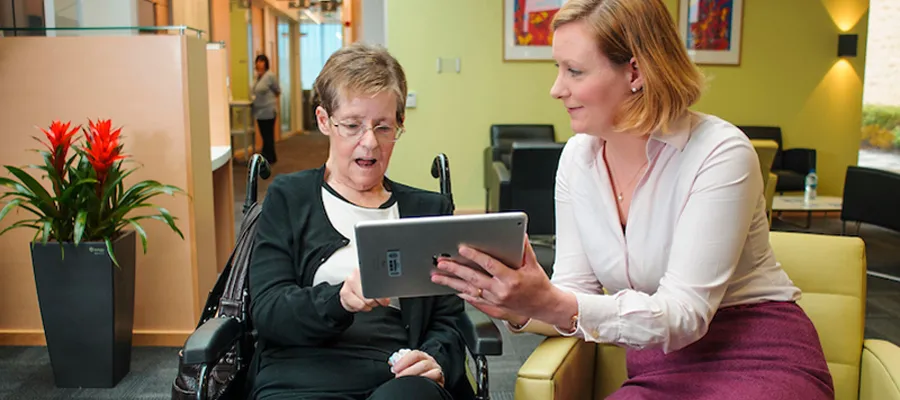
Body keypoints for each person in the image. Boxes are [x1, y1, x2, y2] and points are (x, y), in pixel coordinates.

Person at [431, 0, 835, 399]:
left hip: (758, 356)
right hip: (658, 363)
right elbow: (574, 296)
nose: (556, 89)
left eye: (574, 71)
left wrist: (550, 301)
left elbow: (684, 315)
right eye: (557, 69)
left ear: (635, 72)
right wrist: (517, 305)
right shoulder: (577, 159)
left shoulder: (720, 153)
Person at [248, 43, 472, 400]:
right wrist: (340, 299)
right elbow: (269, 311)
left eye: (384, 127)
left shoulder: (428, 208)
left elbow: (448, 321)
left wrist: (435, 360)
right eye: (352, 125)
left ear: (399, 124)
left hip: (398, 376)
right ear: (324, 121)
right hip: (301, 375)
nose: (369, 143)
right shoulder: (289, 197)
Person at [252, 54, 281, 164]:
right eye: (258, 61)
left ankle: (269, 157)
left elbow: (277, 90)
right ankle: (268, 156)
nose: (259, 63)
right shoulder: (256, 77)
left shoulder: (270, 76)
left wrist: (271, 101)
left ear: (265, 63)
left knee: (268, 135)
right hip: (258, 111)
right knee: (264, 135)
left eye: (261, 61)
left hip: (268, 110)